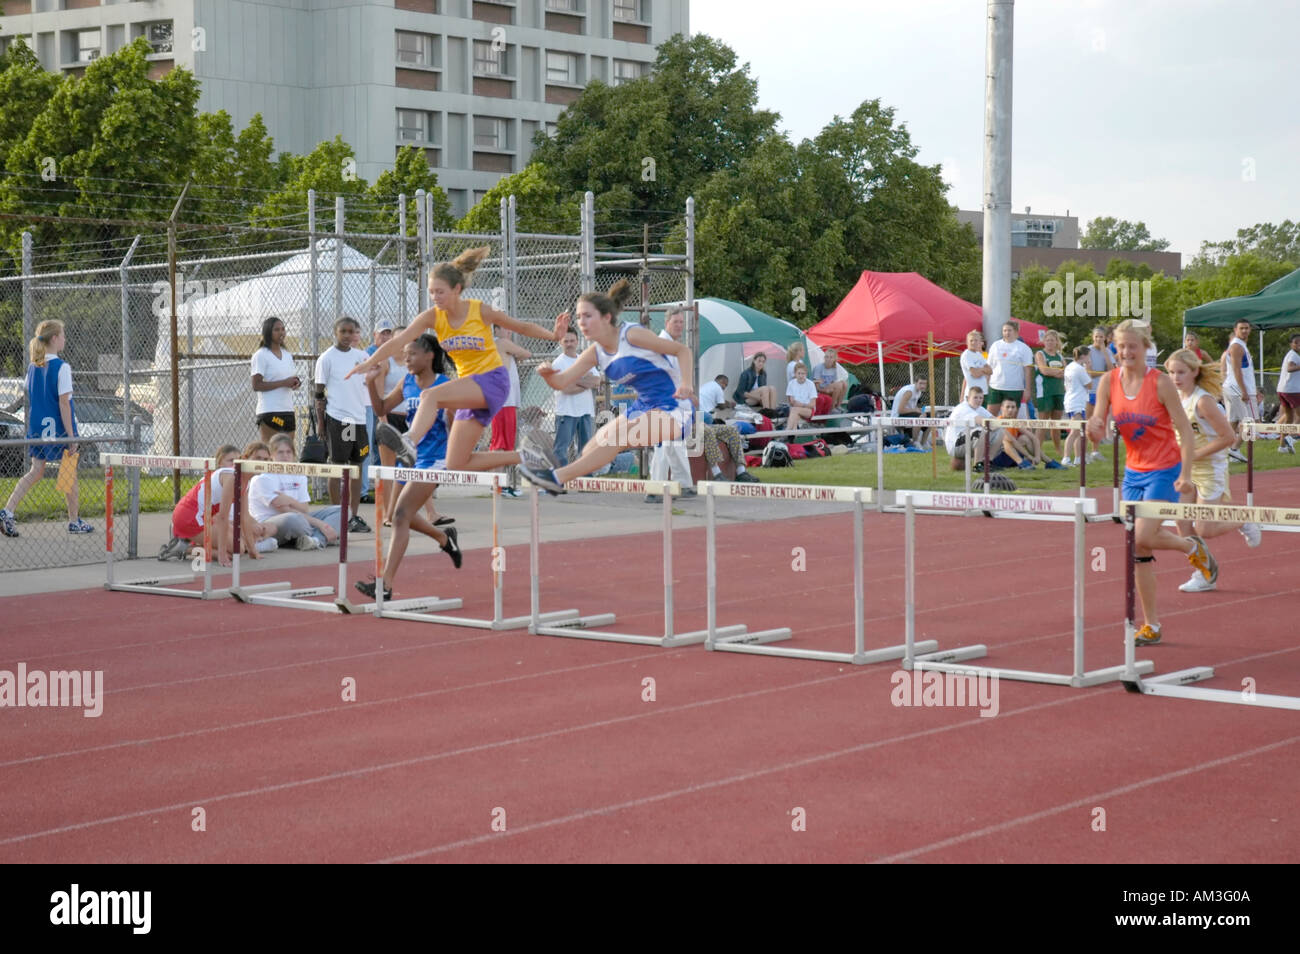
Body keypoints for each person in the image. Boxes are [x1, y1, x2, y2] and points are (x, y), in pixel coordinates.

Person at [350, 246, 567, 478]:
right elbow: (400, 340)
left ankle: (409, 441)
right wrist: (370, 360)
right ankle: (529, 456)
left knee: (429, 396)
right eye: (432, 292)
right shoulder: (433, 316)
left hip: (492, 379)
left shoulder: (479, 310)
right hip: (469, 387)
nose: (435, 298)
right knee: (456, 463)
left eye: (440, 292)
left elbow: (521, 326)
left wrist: (554, 336)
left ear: (457, 289)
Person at [1088, 320, 1217, 646]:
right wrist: (1093, 425)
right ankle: (1152, 625)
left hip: (1164, 469)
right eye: (1121, 346)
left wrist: (1186, 474)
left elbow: (1185, 432)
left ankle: (1193, 547)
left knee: (1144, 534)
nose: (1126, 352)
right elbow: (1099, 424)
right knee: (1139, 547)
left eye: (1133, 346)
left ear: (1146, 348)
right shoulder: (1108, 381)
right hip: (1133, 472)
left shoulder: (1159, 383)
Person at [518, 279, 693, 494]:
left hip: (673, 407)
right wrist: (546, 373)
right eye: (579, 316)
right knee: (591, 449)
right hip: (643, 406)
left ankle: (554, 478)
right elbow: (560, 382)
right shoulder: (595, 352)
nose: (581, 322)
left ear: (606, 318)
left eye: (587, 316)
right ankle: (556, 478)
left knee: (618, 439)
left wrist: (686, 383)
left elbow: (683, 351)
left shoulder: (631, 335)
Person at [355, 334, 461, 600]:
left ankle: (385, 585)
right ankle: (444, 538)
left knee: (401, 515)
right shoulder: (408, 382)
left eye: (412, 354)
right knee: (397, 514)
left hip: (436, 459)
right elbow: (381, 406)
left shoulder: (445, 385)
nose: (406, 359)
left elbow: (456, 425)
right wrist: (370, 383)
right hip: (412, 456)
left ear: (429, 356)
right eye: (404, 355)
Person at [1164, 348, 1262, 594]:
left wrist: (1195, 455)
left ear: (1195, 372)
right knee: (1182, 523)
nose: (1176, 377)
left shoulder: (1203, 400)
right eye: (1171, 372)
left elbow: (1228, 437)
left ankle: (1244, 517)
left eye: (1181, 372)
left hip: (1210, 468)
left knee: (1205, 528)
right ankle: (1204, 572)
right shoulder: (1174, 397)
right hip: (1186, 468)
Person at [1, 320, 92, 538]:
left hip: (37, 428)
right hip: (58, 428)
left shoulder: (33, 367)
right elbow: (63, 403)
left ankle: (7, 511)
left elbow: (30, 397)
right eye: (62, 335)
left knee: (36, 470)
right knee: (68, 472)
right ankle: (73, 521)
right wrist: (71, 436)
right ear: (54, 339)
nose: (64, 339)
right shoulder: (62, 367)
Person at [159, 442, 274, 566]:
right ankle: (184, 549)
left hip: (206, 517)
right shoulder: (232, 476)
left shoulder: (246, 481)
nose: (261, 463)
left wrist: (253, 551)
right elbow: (223, 517)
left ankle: (187, 543)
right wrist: (221, 554)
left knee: (239, 545)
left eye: (266, 459)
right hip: (190, 518)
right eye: (258, 458)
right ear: (245, 458)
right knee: (237, 550)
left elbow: (244, 517)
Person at [315, 317, 371, 533]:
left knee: (357, 466)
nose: (347, 335)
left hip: (359, 418)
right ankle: (336, 514)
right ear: (335, 332)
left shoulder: (361, 356)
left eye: (351, 331)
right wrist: (321, 422)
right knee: (339, 467)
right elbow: (319, 393)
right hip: (342, 420)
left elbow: (369, 381)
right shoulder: (327, 358)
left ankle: (352, 516)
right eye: (343, 331)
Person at [248, 434, 342, 550]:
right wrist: (321, 524)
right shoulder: (263, 478)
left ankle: (315, 540)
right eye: (280, 452)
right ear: (272, 455)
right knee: (293, 519)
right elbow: (284, 510)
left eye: (288, 452)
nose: (285, 456)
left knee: (343, 510)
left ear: (293, 455)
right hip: (273, 522)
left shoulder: (298, 475)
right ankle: (328, 534)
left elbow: (305, 509)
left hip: (301, 518)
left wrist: (289, 500)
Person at [648, 306, 696, 498]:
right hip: (664, 402)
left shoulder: (675, 347)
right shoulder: (661, 345)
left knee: (676, 445)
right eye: (675, 322)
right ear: (667, 323)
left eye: (682, 322)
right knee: (662, 446)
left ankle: (683, 485)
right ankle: (655, 489)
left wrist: (689, 395)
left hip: (678, 404)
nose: (679, 325)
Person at [360, 319, 405, 502]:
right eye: (384, 333)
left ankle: (405, 506)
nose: (386, 337)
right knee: (385, 465)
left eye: (388, 334)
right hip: (385, 415)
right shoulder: (379, 358)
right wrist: (384, 421)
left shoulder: (411, 360)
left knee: (410, 466)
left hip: (408, 418)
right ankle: (385, 508)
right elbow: (378, 396)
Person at [490, 331, 533, 497]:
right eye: (505, 328)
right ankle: (498, 486)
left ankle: (501, 484)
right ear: (498, 330)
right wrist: (516, 353)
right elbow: (526, 353)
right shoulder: (501, 342)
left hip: (507, 402)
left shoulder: (502, 346)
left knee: (505, 445)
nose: (509, 332)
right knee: (500, 445)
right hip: (504, 402)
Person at [551, 329, 600, 466]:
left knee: (586, 450)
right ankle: (561, 482)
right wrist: (584, 381)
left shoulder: (583, 360)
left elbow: (596, 380)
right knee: (561, 450)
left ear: (577, 341)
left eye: (572, 341)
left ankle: (585, 481)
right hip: (566, 413)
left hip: (585, 411)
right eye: (566, 341)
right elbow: (566, 389)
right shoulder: (558, 363)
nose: (569, 344)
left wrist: (574, 379)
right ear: (561, 342)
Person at [250, 316, 301, 444]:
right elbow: (256, 385)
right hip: (270, 412)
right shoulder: (261, 355)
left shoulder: (287, 355)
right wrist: (284, 383)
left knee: (287, 451)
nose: (281, 332)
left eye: (283, 329)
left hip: (288, 411)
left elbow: (289, 378)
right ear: (268, 332)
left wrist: (295, 382)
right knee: (272, 450)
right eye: (276, 330)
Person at [944, 387, 1006, 472]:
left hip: (967, 440)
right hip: (955, 445)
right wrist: (995, 424)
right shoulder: (963, 408)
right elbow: (983, 422)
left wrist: (999, 424)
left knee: (1001, 431)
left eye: (981, 398)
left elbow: (995, 421)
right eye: (975, 397)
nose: (978, 400)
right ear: (968, 398)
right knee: (981, 431)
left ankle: (987, 462)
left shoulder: (979, 408)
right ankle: (977, 465)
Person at [1220, 319, 1256, 463]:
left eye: (1247, 328)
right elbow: (1236, 370)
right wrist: (1244, 391)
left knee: (1233, 422)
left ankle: (1221, 452)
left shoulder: (1241, 345)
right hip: (1237, 388)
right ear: (1235, 330)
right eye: (1241, 328)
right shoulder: (1236, 346)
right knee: (1251, 423)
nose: (1245, 331)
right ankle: (1234, 450)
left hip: (1233, 387)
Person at [996, 398, 1061, 469]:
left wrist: (1037, 456)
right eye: (1007, 407)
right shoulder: (998, 421)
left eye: (1013, 407)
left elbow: (1034, 438)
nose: (1010, 410)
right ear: (1002, 408)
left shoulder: (1015, 422)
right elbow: (1011, 440)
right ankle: (1022, 463)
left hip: (1012, 456)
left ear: (1016, 409)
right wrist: (1028, 456)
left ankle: (1049, 462)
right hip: (999, 457)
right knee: (1006, 441)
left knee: (1024, 438)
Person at [986, 320, 1034, 413]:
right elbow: (989, 367)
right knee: (990, 417)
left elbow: (1028, 370)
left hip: (1014, 388)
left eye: (1009, 330)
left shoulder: (1024, 348)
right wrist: (986, 385)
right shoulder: (995, 345)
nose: (1007, 333)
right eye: (1004, 330)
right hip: (995, 386)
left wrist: (1027, 390)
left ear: (1016, 332)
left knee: (1011, 420)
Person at [1033, 329, 1068, 457]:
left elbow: (1066, 371)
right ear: (1044, 341)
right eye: (1047, 340)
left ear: (1056, 342)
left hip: (1058, 391)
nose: (1049, 343)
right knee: (1043, 421)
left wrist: (1057, 372)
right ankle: (1037, 450)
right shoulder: (1040, 354)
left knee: (1056, 422)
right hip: (1045, 391)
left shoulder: (1059, 356)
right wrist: (1057, 372)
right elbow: (1044, 370)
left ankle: (1058, 449)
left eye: (1052, 340)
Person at [1061, 345, 1093, 466]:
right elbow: (1089, 385)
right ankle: (1066, 458)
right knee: (1075, 431)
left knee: (1081, 431)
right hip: (1076, 402)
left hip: (1073, 400)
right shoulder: (1079, 369)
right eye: (1088, 356)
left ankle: (1078, 458)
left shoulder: (1070, 366)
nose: (1089, 358)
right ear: (1083, 356)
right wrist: (1088, 369)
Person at [1277, 333, 1300, 453]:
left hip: (1282, 390)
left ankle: (1282, 446)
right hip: (1292, 390)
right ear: (1291, 344)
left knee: (1289, 418)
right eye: (1296, 342)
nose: (1299, 345)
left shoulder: (1291, 355)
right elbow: (1290, 368)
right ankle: (1291, 438)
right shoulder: (1293, 355)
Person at [891, 376, 927, 445]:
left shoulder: (919, 392)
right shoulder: (909, 392)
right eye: (921, 383)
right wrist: (916, 410)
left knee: (930, 417)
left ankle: (923, 443)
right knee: (920, 417)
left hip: (907, 414)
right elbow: (900, 410)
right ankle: (914, 442)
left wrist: (920, 410)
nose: (923, 386)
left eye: (924, 384)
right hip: (897, 416)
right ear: (915, 383)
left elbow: (913, 406)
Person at [811, 347, 848, 412]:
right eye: (827, 357)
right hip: (820, 390)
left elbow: (832, 382)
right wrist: (825, 391)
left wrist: (831, 388)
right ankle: (832, 408)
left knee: (844, 383)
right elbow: (816, 387)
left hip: (828, 388)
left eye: (831, 357)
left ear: (834, 359)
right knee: (838, 385)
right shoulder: (819, 368)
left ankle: (838, 405)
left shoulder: (834, 368)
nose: (828, 359)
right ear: (824, 358)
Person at [960, 330, 992, 400]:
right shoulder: (966, 355)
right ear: (967, 342)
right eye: (971, 340)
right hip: (972, 394)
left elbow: (990, 371)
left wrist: (979, 370)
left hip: (984, 392)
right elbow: (975, 374)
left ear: (981, 342)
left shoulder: (979, 355)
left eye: (976, 340)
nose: (974, 342)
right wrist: (983, 370)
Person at [785, 362, 817, 433]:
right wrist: (796, 404)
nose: (801, 376)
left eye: (803, 373)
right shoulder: (791, 383)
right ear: (795, 374)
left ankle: (786, 431)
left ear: (806, 374)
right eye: (799, 373)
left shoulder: (810, 384)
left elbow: (812, 404)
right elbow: (792, 402)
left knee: (794, 410)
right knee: (795, 416)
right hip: (795, 409)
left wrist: (802, 405)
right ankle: (792, 435)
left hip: (808, 410)